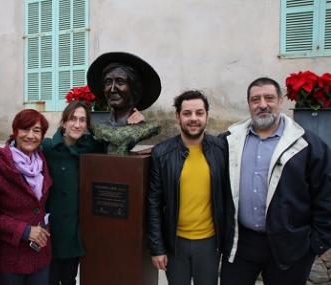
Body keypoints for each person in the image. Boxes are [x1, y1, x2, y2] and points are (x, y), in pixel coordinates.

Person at [220, 77, 331, 285]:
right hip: (241, 245)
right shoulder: (229, 141)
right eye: (255, 99)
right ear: (249, 104)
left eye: (269, 98)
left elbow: (325, 195)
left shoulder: (308, 145)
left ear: (280, 101)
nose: (262, 105)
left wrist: (315, 244)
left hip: (290, 247)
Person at [147, 90, 230, 285]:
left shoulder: (221, 149)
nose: (194, 119)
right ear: (178, 117)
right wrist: (157, 248)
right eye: (187, 113)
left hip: (210, 243)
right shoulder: (162, 153)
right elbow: (154, 204)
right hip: (175, 244)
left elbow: (229, 197)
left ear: (207, 116)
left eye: (199, 113)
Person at [42, 101, 104, 285]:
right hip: (51, 229)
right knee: (50, 278)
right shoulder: (47, 148)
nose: (77, 124)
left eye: (82, 120)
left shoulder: (90, 146)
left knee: (69, 278)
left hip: (74, 230)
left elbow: (118, 146)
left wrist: (135, 124)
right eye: (72, 119)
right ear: (63, 122)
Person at [0, 109, 52, 285]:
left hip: (40, 254)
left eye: (37, 130)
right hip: (11, 257)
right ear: (15, 131)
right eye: (25, 129)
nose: (30, 136)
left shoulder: (41, 160)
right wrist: (24, 230)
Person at [87, 52, 161, 154]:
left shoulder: (149, 127)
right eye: (108, 82)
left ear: (133, 88)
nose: (112, 89)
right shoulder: (96, 124)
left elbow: (117, 137)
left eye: (120, 82)